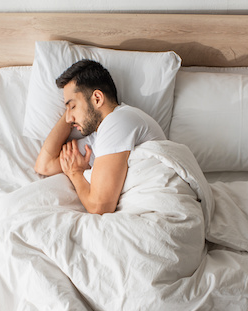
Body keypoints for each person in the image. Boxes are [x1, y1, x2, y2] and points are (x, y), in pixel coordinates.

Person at [34, 59, 165, 215]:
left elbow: (100, 207)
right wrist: (72, 111)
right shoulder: (99, 136)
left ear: (97, 98)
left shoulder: (119, 121)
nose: (68, 118)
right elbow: (44, 165)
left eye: (73, 106)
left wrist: (76, 174)